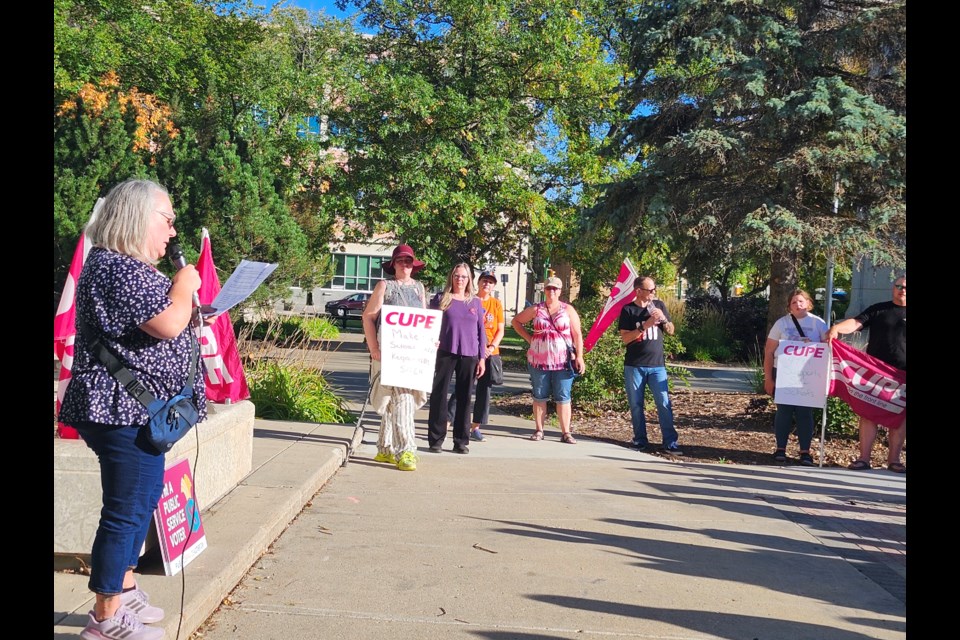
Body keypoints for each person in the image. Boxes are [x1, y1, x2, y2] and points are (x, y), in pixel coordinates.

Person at [58, 178, 207, 640]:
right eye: (167, 221)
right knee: (125, 511)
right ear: (138, 217)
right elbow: (168, 323)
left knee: (140, 505)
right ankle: (104, 618)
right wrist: (185, 284)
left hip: (137, 411)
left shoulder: (126, 268)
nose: (172, 232)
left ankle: (123, 588)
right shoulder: (115, 268)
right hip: (120, 411)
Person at [827, 275, 907, 473]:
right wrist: (836, 328)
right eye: (898, 286)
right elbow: (855, 323)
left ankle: (894, 460)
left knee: (900, 416)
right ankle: (863, 459)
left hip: (902, 375)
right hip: (875, 373)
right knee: (868, 413)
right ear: (892, 288)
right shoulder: (879, 309)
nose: (902, 290)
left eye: (905, 287)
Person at [362, 244, 429, 472]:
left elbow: (424, 321)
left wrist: (431, 342)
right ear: (393, 264)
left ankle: (385, 448)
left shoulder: (420, 288)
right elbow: (369, 317)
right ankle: (407, 450)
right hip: (389, 352)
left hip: (412, 355)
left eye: (408, 260)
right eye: (400, 260)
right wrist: (374, 348)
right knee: (400, 400)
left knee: (400, 400)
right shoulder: (385, 286)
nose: (405, 264)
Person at [510, 276, 585, 443]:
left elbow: (577, 334)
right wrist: (530, 339)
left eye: (555, 289)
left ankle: (566, 432)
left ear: (560, 291)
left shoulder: (568, 310)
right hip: (539, 361)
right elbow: (516, 322)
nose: (552, 291)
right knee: (539, 395)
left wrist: (579, 356)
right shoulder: (537, 309)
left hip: (563, 361)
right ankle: (539, 430)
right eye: (549, 288)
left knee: (563, 396)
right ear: (544, 290)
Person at [617, 276, 683, 455]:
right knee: (636, 404)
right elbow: (625, 338)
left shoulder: (659, 306)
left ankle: (670, 442)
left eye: (654, 289)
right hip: (634, 365)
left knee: (663, 402)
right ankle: (640, 440)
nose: (654, 293)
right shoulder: (628, 310)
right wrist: (644, 326)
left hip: (657, 366)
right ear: (638, 291)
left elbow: (671, 331)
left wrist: (664, 321)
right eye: (650, 290)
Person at [763, 289, 829, 465]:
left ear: (808, 303)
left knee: (804, 413)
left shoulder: (819, 324)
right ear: (789, 306)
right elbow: (769, 352)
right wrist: (768, 378)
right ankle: (780, 449)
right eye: (794, 302)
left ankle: (805, 451)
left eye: (801, 301)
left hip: (808, 375)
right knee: (784, 411)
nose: (798, 305)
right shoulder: (781, 323)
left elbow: (828, 350)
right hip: (783, 373)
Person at [427, 263, 487, 453]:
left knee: (464, 397)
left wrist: (482, 358)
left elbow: (481, 331)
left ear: (469, 279)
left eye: (463, 276)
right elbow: (430, 325)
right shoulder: (440, 299)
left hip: (469, 354)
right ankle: (436, 440)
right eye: (456, 276)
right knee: (439, 395)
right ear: (451, 278)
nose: (459, 279)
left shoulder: (475, 302)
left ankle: (461, 441)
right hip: (445, 352)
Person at [445, 271, 505, 442]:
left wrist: (491, 346)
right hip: (471, 349)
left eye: (491, 282)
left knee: (484, 392)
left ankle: (476, 427)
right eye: (484, 281)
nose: (487, 284)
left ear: (494, 286)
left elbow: (500, 329)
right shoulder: (469, 299)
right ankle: (447, 421)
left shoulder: (496, 304)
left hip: (490, 353)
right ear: (478, 283)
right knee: (463, 388)